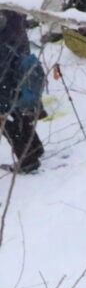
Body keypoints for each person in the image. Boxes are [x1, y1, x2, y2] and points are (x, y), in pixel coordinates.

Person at [2, 10, 43, 174]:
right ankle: (35, 148)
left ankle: (28, 161)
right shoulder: (12, 24)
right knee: (18, 113)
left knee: (8, 121)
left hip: (5, 82)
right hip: (16, 77)